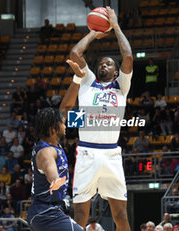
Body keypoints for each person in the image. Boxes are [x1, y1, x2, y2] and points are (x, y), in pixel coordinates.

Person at [59, 6, 133, 231]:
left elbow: (128, 56)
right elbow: (75, 54)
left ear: (116, 72)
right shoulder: (87, 80)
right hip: (87, 153)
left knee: (120, 214)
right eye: (101, 62)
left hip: (111, 154)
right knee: (80, 214)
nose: (104, 64)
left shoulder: (121, 87)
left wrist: (116, 26)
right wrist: (94, 32)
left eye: (109, 63)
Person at [26, 108, 82, 231]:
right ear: (53, 129)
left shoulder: (52, 145)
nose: (65, 125)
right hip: (45, 212)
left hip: (49, 210)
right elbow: (48, 166)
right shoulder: (46, 151)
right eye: (62, 123)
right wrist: (55, 179)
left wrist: (76, 87)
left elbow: (65, 107)